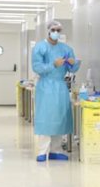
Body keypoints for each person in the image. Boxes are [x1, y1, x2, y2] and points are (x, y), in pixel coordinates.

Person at [31, 20, 79, 162]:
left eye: (58, 30)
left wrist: (73, 64)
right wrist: (53, 64)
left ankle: (55, 150)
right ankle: (42, 151)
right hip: (45, 86)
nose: (56, 32)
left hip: (60, 87)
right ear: (48, 30)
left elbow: (72, 69)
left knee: (59, 117)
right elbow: (37, 67)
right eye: (53, 30)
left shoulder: (66, 48)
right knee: (46, 118)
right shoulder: (40, 47)